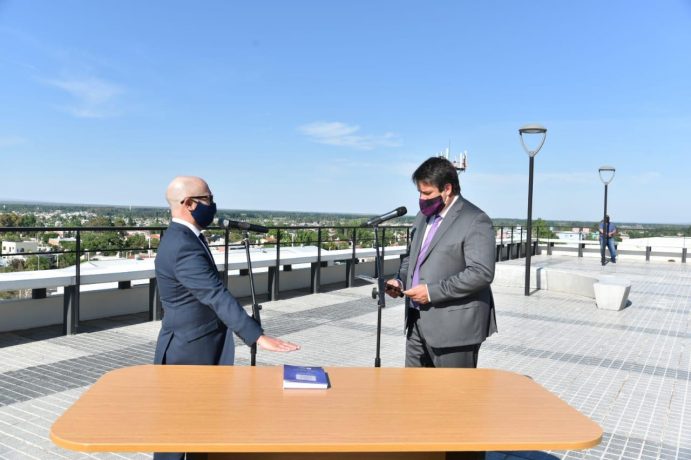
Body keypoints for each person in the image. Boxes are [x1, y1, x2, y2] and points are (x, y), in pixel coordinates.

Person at [153, 176, 299, 460]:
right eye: (208, 199)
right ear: (189, 203)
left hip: (193, 344)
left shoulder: (184, 237)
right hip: (189, 351)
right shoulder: (182, 245)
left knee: (198, 430)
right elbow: (215, 294)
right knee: (178, 434)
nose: (213, 204)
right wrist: (255, 335)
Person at [386, 157, 497, 368]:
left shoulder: (475, 220)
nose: (421, 198)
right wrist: (400, 281)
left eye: (427, 193)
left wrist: (431, 292)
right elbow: (412, 258)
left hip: (454, 330)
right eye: (419, 192)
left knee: (453, 397)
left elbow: (481, 272)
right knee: (413, 391)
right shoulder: (422, 217)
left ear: (447, 188)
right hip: (416, 323)